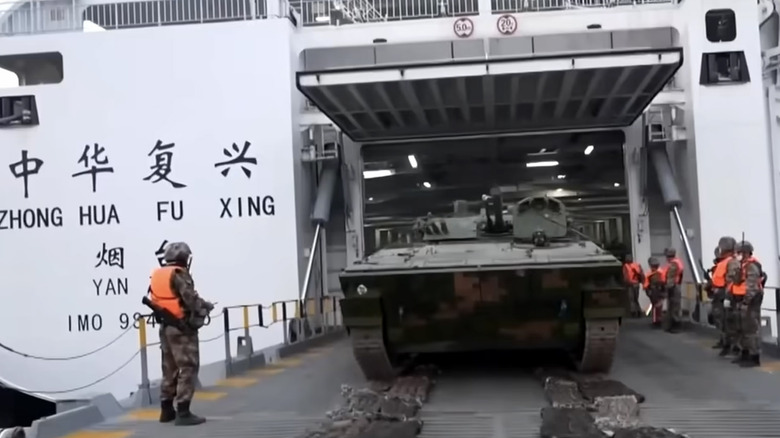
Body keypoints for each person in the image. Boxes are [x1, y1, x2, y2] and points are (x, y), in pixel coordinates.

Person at [149, 241, 215, 426]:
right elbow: (190, 300)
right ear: (184, 258)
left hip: (165, 327)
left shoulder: (158, 274)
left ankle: (166, 410)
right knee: (188, 367)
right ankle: (183, 412)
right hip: (181, 329)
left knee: (169, 368)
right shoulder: (180, 274)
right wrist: (204, 307)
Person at [731, 240, 765, 367]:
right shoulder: (743, 265)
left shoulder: (752, 266)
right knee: (742, 327)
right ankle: (744, 353)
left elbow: (751, 286)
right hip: (741, 299)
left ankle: (754, 356)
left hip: (750, 300)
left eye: (739, 252)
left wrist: (746, 301)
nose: (737, 254)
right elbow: (736, 281)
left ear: (745, 253)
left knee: (751, 328)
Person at [708, 237, 739, 356]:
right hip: (718, 294)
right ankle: (725, 343)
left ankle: (732, 346)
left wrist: (727, 296)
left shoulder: (731, 262)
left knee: (729, 322)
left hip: (724, 295)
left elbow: (730, 280)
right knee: (721, 320)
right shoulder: (723, 262)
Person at [663, 247, 684, 333]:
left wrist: (667, 289)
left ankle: (675, 327)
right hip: (675, 286)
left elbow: (671, 278)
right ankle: (672, 326)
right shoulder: (677, 262)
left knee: (674, 307)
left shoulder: (673, 264)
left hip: (673, 287)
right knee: (673, 306)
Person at [643, 257, 666, 328]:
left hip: (657, 292)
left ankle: (657, 320)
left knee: (657, 306)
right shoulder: (658, 273)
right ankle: (657, 320)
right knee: (657, 307)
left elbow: (664, 283)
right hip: (655, 292)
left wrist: (648, 291)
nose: (652, 268)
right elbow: (646, 285)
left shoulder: (658, 273)